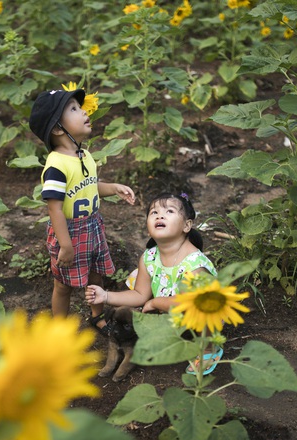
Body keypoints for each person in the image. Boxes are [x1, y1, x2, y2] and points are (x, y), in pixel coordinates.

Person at [28, 88, 135, 323]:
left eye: (80, 106)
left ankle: (97, 316)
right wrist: (65, 245)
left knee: (96, 277)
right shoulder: (57, 165)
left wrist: (113, 187)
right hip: (69, 231)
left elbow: (91, 185)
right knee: (63, 285)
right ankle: (59, 328)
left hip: (93, 227)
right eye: (74, 109)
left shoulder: (84, 155)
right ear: (58, 128)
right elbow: (54, 209)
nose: (84, 111)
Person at [86, 192, 222, 375]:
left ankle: (208, 349)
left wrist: (154, 303)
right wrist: (105, 295)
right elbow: (140, 294)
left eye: (169, 211)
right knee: (137, 278)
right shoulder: (149, 257)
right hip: (170, 310)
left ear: (187, 225)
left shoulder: (195, 264)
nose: (160, 215)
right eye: (153, 212)